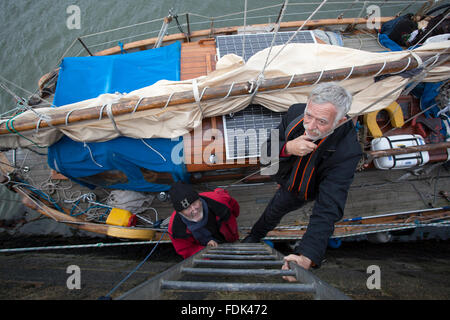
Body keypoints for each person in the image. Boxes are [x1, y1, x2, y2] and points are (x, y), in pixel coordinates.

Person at [242, 82, 362, 274]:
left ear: (340, 121)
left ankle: (256, 235)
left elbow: (328, 206)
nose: (310, 126)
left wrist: (307, 254)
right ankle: (255, 236)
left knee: (276, 208)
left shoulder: (347, 152)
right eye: (309, 115)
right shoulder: (294, 112)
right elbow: (266, 151)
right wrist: (288, 148)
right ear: (306, 105)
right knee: (270, 212)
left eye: (322, 122)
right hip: (283, 176)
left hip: (301, 191)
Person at [168, 181, 240, 259]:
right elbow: (187, 250)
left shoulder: (219, 200)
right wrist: (206, 250)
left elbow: (235, 209)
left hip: (230, 239)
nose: (194, 210)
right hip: (210, 254)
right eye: (187, 208)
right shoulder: (175, 228)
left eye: (194, 204)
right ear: (180, 212)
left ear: (199, 199)